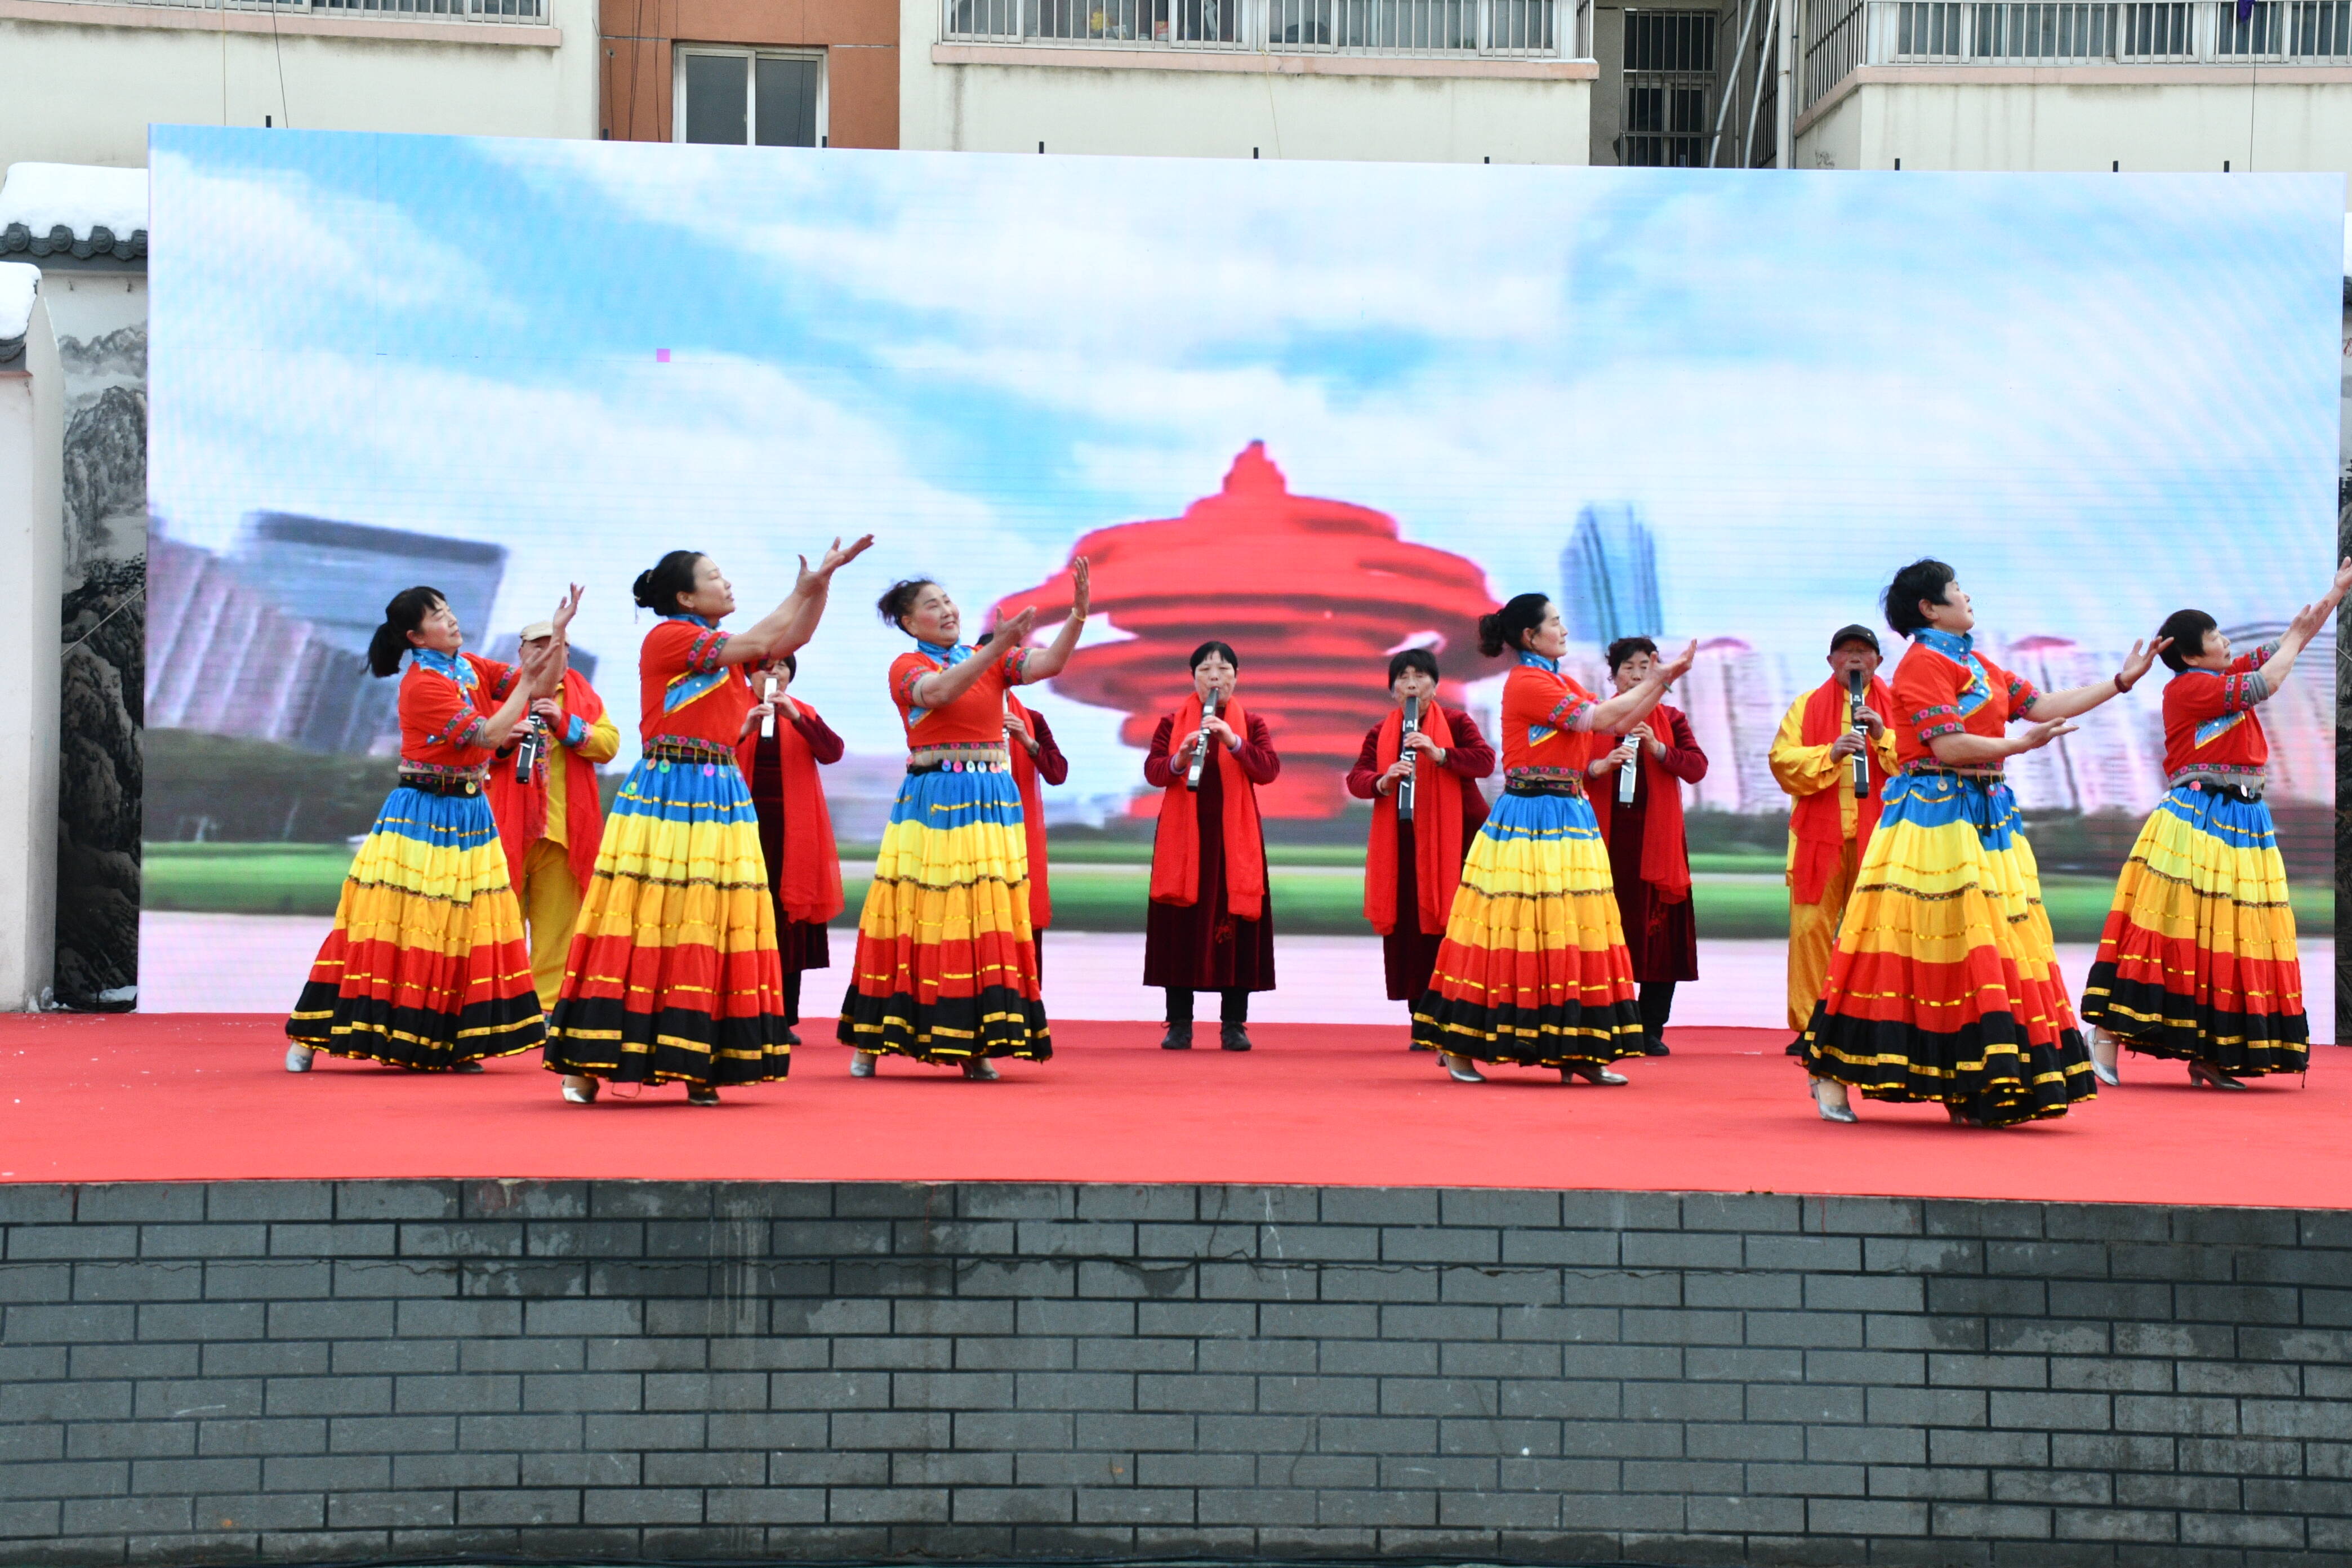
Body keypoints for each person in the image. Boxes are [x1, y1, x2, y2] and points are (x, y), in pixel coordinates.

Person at [1800, 559, 2162, 1127]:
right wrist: (2020, 747)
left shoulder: (1974, 661)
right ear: (1929, 608)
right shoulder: (1923, 663)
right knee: (1910, 942)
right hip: (1934, 815)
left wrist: (2121, 683)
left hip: (1987, 813)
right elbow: (1946, 747)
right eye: (1957, 590)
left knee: (1987, 947)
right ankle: (1832, 1071)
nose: (1967, 597)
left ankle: (1968, 1080)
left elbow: (2040, 706)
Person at [546, 537, 872, 1106]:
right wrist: (802, 588)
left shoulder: (721, 648)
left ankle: (699, 1060)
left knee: (713, 922)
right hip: (670, 790)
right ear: (686, 597)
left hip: (720, 791)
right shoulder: (671, 637)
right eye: (715, 576)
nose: (727, 583)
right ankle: (590, 1064)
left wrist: (819, 587)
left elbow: (791, 638)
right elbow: (766, 639)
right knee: (648, 917)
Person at [2078, 560, 2352, 1089]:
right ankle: (2106, 1034)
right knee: (2171, 927)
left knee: (2234, 933)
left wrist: (2336, 592)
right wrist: (2294, 642)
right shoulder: (2187, 689)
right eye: (2215, 637)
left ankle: (2211, 1051)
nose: (2226, 642)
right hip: (2196, 817)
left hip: (2245, 818)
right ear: (2190, 655)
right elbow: (2269, 680)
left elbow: (2290, 641)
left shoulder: (2221, 675)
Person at [286, 583, 576, 1072]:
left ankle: (448, 1041)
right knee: (389, 922)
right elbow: (487, 734)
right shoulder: (423, 685)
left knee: (465, 927)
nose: (452, 620)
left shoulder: (471, 666)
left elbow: (546, 687)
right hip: (423, 812)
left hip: (470, 810)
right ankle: (309, 1036)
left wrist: (560, 637)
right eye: (438, 616)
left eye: (448, 610)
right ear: (416, 637)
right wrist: (527, 683)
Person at [1411, 593, 1695, 1084]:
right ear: (1530, 635)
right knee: (1510, 929)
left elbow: (1619, 721)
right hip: (1530, 817)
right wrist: (1659, 678)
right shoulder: (1527, 683)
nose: (1564, 630)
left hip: (1568, 813)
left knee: (1575, 929)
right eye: (1556, 623)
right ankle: (1461, 1045)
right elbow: (1597, 720)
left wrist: (1664, 680)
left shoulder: (1558, 680)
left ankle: (1577, 1049)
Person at [840, 562, 1092, 1078]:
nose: (947, 610)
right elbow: (938, 694)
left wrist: (1078, 616)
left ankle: (976, 1044)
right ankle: (872, 1041)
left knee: (981, 916)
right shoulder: (907, 666)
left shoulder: (984, 657)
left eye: (948, 600)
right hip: (935, 801)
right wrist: (995, 651)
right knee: (918, 910)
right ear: (909, 623)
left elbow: (1049, 664)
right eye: (932, 605)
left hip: (991, 800)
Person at [1344, 648, 1494, 1040]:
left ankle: (1459, 1017)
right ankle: (1422, 1019)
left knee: (1457, 926)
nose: (1411, 684)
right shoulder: (1381, 732)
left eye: (1420, 676)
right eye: (1403, 678)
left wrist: (1439, 753)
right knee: (1412, 930)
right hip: (1404, 842)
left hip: (1459, 840)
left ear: (1435, 685)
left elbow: (1484, 762)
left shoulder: (1457, 722)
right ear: (1392, 689)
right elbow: (1357, 779)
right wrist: (1383, 780)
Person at [1768, 625, 1899, 1055]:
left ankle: (1874, 1025)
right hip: (1819, 839)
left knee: (1879, 932)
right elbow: (1782, 761)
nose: (1855, 659)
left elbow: (1923, 758)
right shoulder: (1806, 706)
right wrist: (1831, 752)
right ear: (1831, 662)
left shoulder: (1900, 705)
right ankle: (1810, 1027)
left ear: (1879, 661)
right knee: (1811, 930)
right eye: (1846, 652)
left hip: (1882, 838)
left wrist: (1882, 736)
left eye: (1864, 651)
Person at [1145, 640, 1281, 1051]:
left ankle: (1233, 1024)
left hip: (1233, 844)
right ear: (1193, 678)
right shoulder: (1172, 723)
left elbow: (1268, 770)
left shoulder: (1251, 723)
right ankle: (1179, 1023)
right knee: (1179, 927)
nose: (1215, 677)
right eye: (1205, 670)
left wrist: (1234, 742)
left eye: (1223, 670)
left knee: (1236, 928)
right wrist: (1180, 757)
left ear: (1237, 678)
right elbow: (1154, 772)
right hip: (1184, 842)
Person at [483, 620, 622, 1015]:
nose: (547, 655)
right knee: (500, 920)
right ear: (521, 653)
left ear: (567, 657)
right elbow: (468, 747)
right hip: (504, 827)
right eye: (538, 647)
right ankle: (499, 1006)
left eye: (556, 648)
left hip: (563, 830)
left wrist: (565, 723)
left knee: (558, 928)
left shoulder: (583, 695)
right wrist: (502, 744)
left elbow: (608, 744)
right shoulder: (498, 692)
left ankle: (546, 1010)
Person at [1584, 635, 1709, 1057]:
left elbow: (1697, 768)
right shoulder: (1595, 718)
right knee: (1601, 934)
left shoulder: (1671, 718)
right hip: (1603, 841)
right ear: (1613, 676)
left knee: (1658, 937)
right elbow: (1568, 769)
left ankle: (1649, 1027)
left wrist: (1659, 749)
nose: (1637, 676)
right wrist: (1598, 767)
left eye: (1645, 668)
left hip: (1657, 843)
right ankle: (1604, 1024)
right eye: (1629, 668)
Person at [735, 651, 845, 1047]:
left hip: (791, 832)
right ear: (748, 674)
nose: (774, 672)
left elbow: (832, 752)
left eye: (782, 666)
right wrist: (745, 727)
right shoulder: (732, 708)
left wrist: (795, 717)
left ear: (790, 676)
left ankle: (781, 1017)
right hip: (739, 826)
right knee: (740, 915)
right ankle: (736, 1014)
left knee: (786, 918)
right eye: (765, 666)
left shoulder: (803, 712)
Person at [1005, 692, 1069, 973]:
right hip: (973, 835)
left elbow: (1058, 773)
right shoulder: (961, 717)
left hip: (1019, 837)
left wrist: (1027, 741)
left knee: (1023, 912)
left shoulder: (1031, 720)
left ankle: (1025, 994)